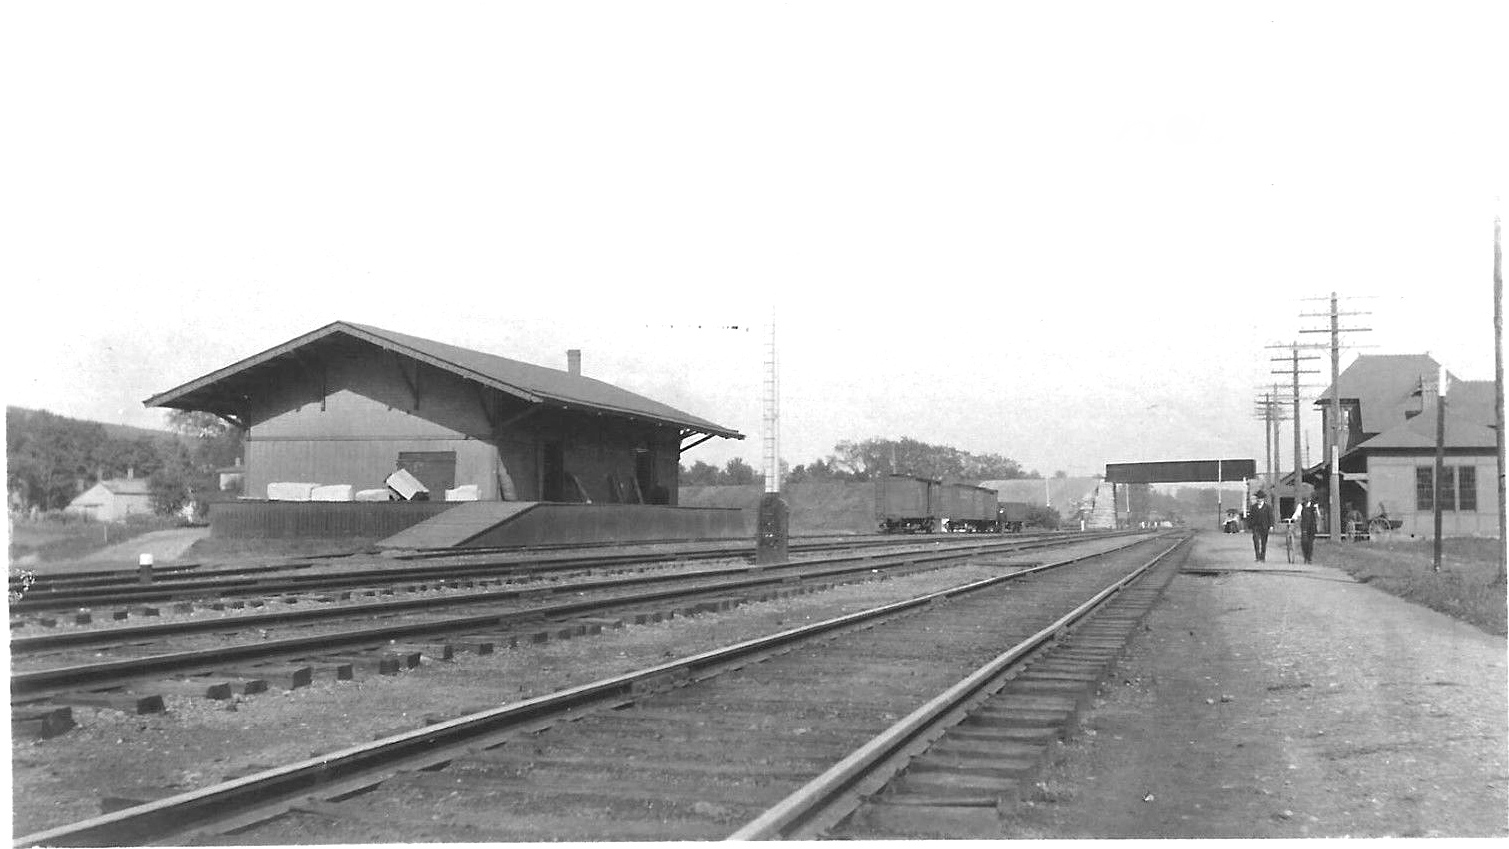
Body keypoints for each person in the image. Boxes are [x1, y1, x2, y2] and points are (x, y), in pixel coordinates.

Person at [1291, 494, 1322, 564]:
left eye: (1308, 499)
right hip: (1304, 525)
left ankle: (1309, 558)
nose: (1306, 501)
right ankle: (1305, 556)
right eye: (1305, 499)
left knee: (1310, 543)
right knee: (1304, 541)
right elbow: (1297, 514)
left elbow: (1318, 515)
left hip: (1312, 526)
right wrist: (1292, 520)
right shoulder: (1301, 506)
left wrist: (1317, 511)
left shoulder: (1314, 505)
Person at [1248, 490, 1274, 562]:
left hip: (1264, 527)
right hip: (1256, 526)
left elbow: (1271, 517)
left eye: (1260, 498)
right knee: (1256, 541)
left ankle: (1263, 557)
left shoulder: (1268, 507)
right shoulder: (1253, 507)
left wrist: (1271, 526)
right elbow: (1250, 517)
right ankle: (1257, 556)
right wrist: (1250, 525)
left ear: (1263, 499)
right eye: (1258, 498)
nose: (1259, 499)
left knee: (1263, 542)